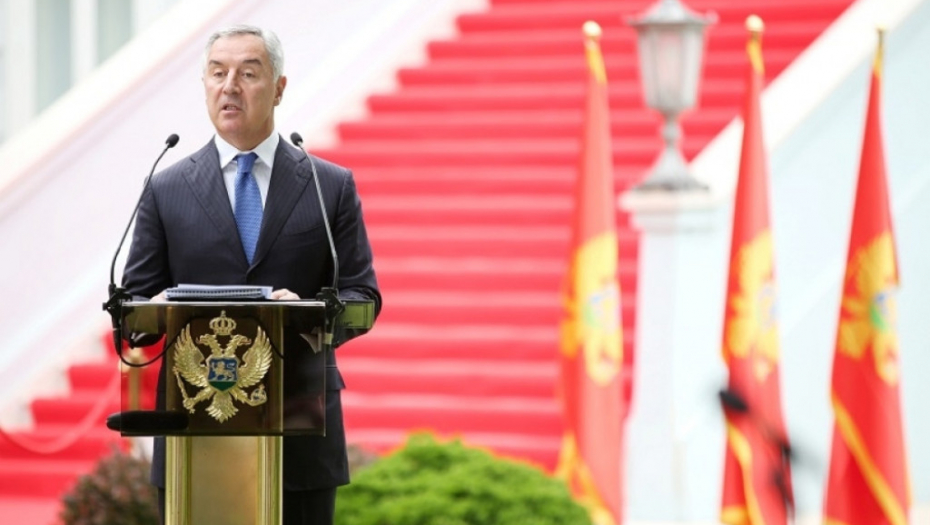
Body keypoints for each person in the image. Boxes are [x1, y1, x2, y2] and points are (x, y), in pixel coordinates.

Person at [121, 24, 381, 525]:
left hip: (300, 429)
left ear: (279, 88)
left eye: (248, 73)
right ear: (204, 85)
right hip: (193, 425)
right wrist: (152, 313)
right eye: (217, 73)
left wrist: (307, 314)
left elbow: (362, 297)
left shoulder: (328, 186)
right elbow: (134, 306)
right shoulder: (166, 188)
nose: (230, 86)